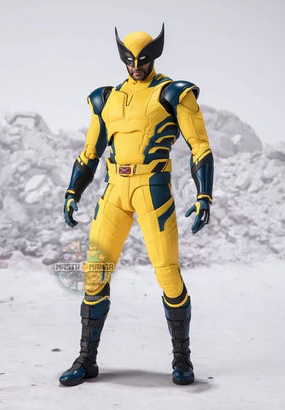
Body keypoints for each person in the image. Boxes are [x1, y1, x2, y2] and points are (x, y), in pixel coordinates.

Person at [60, 24, 214, 386]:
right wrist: (72, 191)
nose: (136, 66)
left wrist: (204, 194)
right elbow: (90, 152)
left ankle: (182, 358)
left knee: (168, 273)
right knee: (94, 272)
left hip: (152, 189)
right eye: (129, 60)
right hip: (115, 189)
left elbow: (200, 146)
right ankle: (86, 358)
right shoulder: (106, 99)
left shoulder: (173, 93)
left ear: (154, 56)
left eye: (142, 60)